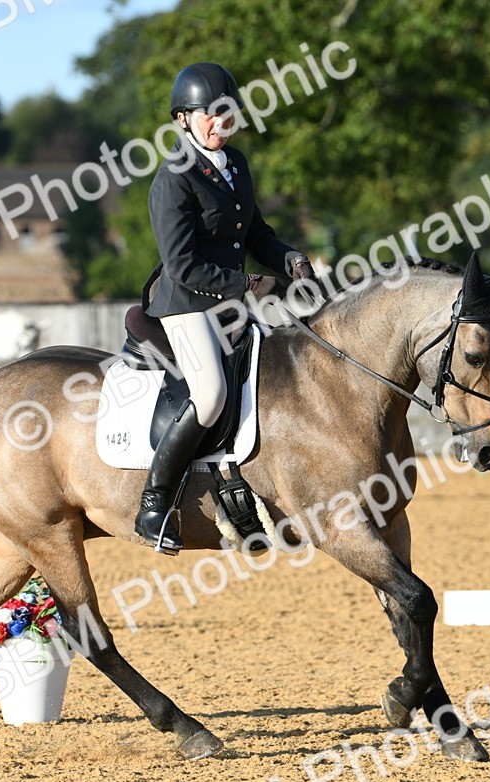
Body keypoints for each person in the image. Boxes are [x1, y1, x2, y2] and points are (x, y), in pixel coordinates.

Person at [135, 62, 316, 553]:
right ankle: (154, 504)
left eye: (228, 112)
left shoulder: (235, 164)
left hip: (234, 301)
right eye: (209, 115)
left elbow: (256, 233)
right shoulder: (173, 179)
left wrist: (290, 259)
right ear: (183, 120)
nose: (220, 122)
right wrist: (248, 284)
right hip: (187, 305)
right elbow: (182, 265)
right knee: (211, 393)